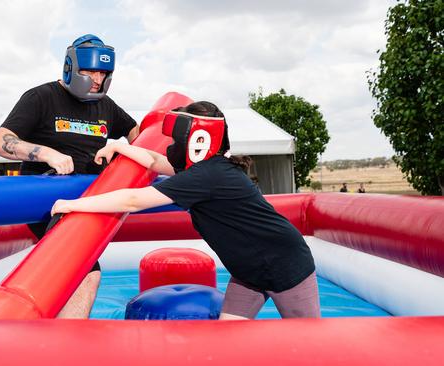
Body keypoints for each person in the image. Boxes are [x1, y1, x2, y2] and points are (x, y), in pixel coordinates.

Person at [52, 101, 320, 320]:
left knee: (311, 344)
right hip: (249, 273)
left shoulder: (207, 175)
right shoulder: (203, 169)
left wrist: (73, 204)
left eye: (179, 138)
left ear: (196, 139)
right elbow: (157, 161)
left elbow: (132, 201)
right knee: (231, 341)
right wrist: (121, 146)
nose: (174, 145)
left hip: (286, 266)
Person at [0, 34, 140, 318]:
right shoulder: (41, 97)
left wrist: (122, 152)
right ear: (71, 68)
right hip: (49, 204)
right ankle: (64, 347)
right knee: (85, 273)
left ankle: (56, 338)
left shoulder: (106, 105)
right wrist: (45, 153)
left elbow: (137, 133)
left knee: (73, 278)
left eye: (103, 73)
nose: (97, 79)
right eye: (90, 71)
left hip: (86, 204)